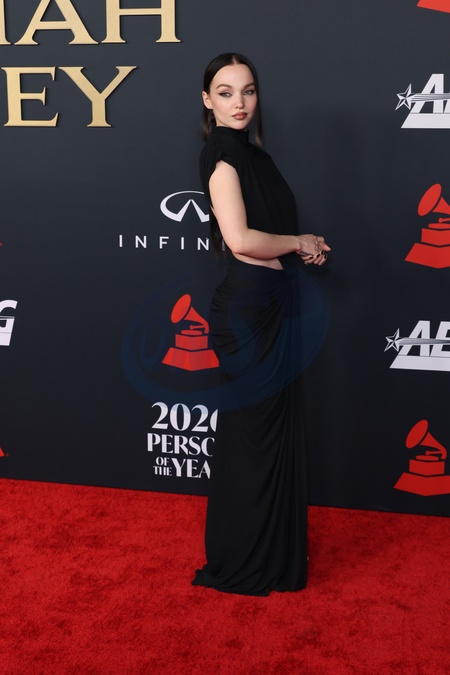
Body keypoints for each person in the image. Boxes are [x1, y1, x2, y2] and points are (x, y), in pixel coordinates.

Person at [192, 53, 330, 596]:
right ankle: (242, 556)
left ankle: (273, 552)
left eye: (248, 91)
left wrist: (303, 246)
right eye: (225, 93)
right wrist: (298, 242)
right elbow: (240, 240)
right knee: (253, 440)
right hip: (248, 317)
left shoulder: (256, 156)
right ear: (207, 101)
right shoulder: (222, 157)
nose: (240, 103)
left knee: (271, 440)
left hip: (273, 303)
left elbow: (267, 231)